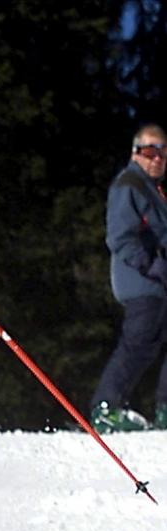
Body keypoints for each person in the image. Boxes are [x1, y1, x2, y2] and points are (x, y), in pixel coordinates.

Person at [90, 123, 167, 432]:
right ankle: (106, 406)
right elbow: (121, 237)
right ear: (135, 153)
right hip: (141, 282)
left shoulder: (154, 190)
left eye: (163, 152)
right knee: (140, 341)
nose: (157, 158)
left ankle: (164, 408)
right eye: (150, 150)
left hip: (159, 283)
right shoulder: (130, 185)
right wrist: (151, 265)